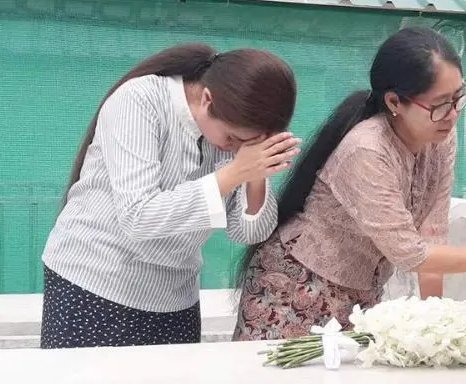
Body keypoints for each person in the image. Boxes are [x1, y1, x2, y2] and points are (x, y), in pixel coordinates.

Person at [231, 27, 466, 341]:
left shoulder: (442, 136)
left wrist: (437, 326)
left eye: (458, 97)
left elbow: (432, 234)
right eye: (440, 104)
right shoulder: (367, 149)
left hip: (360, 297)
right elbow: (412, 255)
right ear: (395, 102)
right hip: (294, 288)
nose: (453, 114)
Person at [40, 43, 300, 349]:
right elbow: (138, 216)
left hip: (175, 296)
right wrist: (233, 173)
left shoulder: (238, 142)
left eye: (248, 143)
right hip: (97, 282)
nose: (232, 148)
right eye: (231, 138)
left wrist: (255, 173)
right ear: (207, 99)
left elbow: (247, 232)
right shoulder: (139, 100)